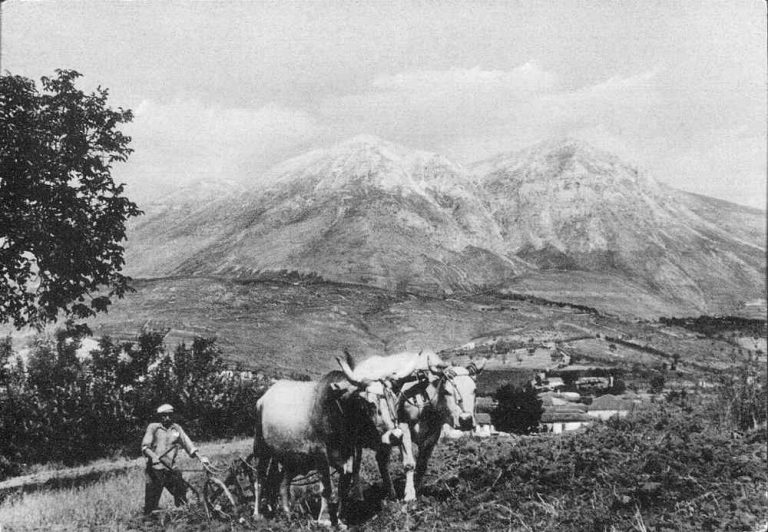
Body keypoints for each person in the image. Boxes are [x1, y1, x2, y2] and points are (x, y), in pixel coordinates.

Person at [141, 403, 210, 516]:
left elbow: (188, 444)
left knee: (181, 494)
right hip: (155, 469)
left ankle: (183, 519)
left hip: (170, 468)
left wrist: (201, 458)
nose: (167, 418)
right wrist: (154, 458)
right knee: (151, 503)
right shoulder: (153, 427)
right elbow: (145, 447)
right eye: (164, 415)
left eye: (169, 415)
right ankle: (148, 522)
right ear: (159, 416)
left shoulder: (176, 428)